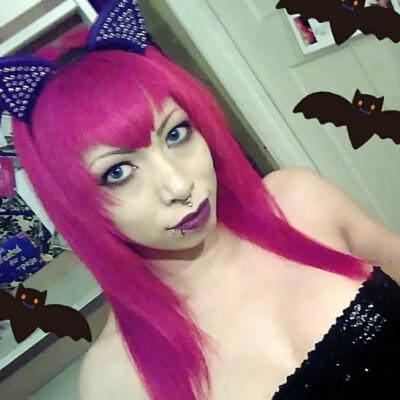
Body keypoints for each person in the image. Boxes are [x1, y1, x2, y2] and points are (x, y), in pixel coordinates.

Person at [4, 1, 400, 399]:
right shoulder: (117, 379)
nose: (179, 185)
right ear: (74, 202)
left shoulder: (299, 202)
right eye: (119, 172)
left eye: (176, 134)